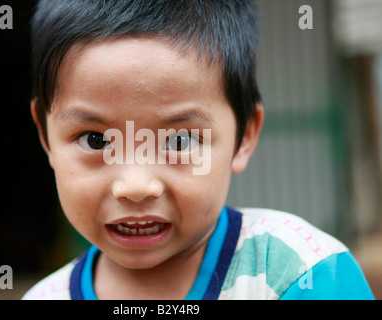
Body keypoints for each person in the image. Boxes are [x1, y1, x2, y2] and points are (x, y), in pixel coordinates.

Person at [22, 0, 374, 300]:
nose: (135, 186)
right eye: (95, 140)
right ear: (45, 132)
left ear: (245, 133)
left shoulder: (300, 274)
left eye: (179, 141)